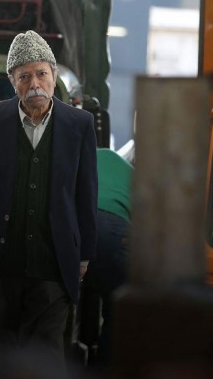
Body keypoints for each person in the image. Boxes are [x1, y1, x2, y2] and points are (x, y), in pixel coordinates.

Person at [0, 30, 98, 378]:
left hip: (53, 266)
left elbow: (85, 193)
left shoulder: (80, 124)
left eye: (41, 73)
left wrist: (84, 255)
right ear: (12, 82)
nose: (34, 83)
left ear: (54, 75)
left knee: (45, 362)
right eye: (24, 76)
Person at [87, 148, 132, 371]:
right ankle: (105, 368)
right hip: (114, 231)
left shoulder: (86, 154)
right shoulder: (130, 172)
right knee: (118, 309)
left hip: (76, 221)